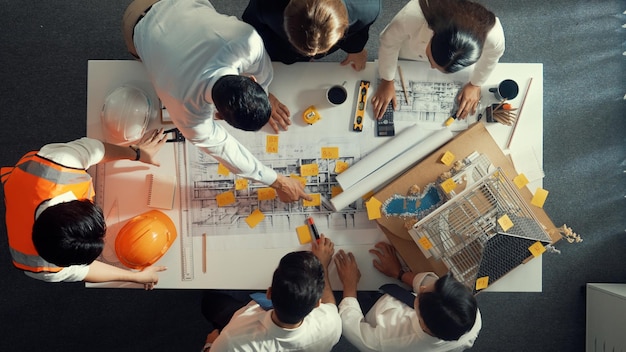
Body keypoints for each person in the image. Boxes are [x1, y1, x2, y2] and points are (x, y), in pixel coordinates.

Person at [122, 0, 311, 201]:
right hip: (137, 23)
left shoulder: (246, 41)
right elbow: (226, 151)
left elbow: (261, 73)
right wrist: (279, 182)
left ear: (250, 80)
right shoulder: (186, 113)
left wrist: (264, 94)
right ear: (218, 115)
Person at [1, 129, 168, 289]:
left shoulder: (59, 163)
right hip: (17, 194)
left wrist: (137, 153)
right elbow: (83, 272)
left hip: (22, 180)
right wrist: (135, 277)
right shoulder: (41, 269)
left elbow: (95, 149)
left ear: (78, 204)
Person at [200, 235, 341, 351]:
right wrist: (322, 264)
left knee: (211, 303)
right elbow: (330, 305)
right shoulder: (331, 324)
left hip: (240, 321)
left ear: (269, 293)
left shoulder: (232, 341)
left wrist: (210, 345)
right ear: (317, 304)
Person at [334, 242, 481, 351]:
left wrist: (349, 285)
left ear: (422, 322)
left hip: (371, 308)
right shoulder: (469, 314)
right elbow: (428, 284)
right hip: (397, 295)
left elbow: (351, 325)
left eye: (420, 294)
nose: (421, 287)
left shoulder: (387, 341)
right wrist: (400, 273)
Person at [371, 0, 505, 119]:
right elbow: (389, 43)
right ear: (434, 33)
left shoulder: (494, 37)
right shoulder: (412, 16)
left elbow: (491, 58)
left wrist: (475, 83)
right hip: (409, 50)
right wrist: (387, 80)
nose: (432, 68)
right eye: (431, 60)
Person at [242, 0, 381, 72]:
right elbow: (252, 26)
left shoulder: (367, 8)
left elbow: (360, 29)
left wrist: (356, 49)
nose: (312, 55)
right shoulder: (266, 5)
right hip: (281, 44)